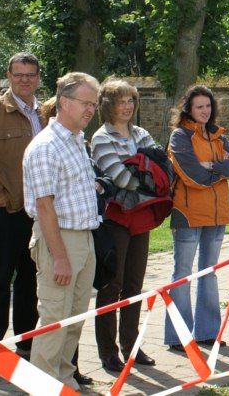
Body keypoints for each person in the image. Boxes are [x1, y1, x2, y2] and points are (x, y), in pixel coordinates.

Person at [22, 72, 101, 391]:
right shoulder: (45, 146)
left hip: (84, 237)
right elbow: (44, 208)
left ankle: (64, 379)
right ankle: (41, 386)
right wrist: (60, 258)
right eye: (85, 103)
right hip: (60, 240)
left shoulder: (75, 141)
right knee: (55, 319)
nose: (90, 110)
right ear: (64, 102)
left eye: (94, 104)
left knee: (75, 317)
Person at [164, 85, 229, 352]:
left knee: (209, 273)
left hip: (217, 214)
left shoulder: (218, 135)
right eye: (199, 106)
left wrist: (213, 167)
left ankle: (207, 333)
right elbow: (192, 175)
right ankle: (178, 336)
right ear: (189, 108)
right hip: (188, 214)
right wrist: (219, 170)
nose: (204, 111)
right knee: (182, 274)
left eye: (208, 106)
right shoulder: (180, 136)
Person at [0, 53, 42, 385]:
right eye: (19, 75)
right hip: (2, 213)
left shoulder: (44, 113)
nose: (25, 80)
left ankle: (27, 349)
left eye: (31, 75)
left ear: (37, 77)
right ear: (8, 76)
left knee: (31, 283)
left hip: (36, 213)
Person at [91, 80, 158, 372]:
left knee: (134, 285)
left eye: (131, 100)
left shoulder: (142, 133)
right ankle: (108, 352)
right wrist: (144, 173)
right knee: (111, 285)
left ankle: (132, 346)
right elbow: (120, 178)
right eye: (121, 101)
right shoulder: (101, 138)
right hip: (115, 219)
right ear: (108, 105)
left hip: (140, 218)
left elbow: (160, 169)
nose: (128, 106)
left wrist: (145, 172)